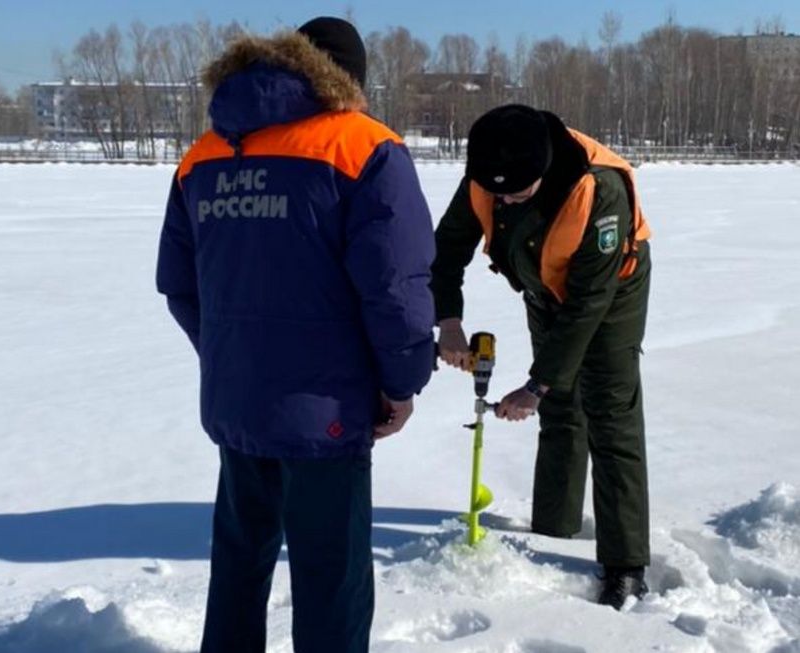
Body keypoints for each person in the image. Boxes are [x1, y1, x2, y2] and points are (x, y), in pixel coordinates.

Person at [155, 17, 435, 652]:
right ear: (351, 80)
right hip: (327, 409)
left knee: (239, 559)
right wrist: (400, 383)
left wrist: (235, 358)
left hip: (238, 401)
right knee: (330, 575)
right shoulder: (364, 147)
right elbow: (395, 290)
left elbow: (180, 284)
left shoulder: (204, 154)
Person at [431, 104, 652, 609]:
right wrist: (448, 323)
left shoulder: (600, 190)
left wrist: (535, 385)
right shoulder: (487, 172)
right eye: (497, 191)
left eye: (517, 192)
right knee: (559, 407)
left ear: (545, 169)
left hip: (611, 290)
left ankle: (625, 565)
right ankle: (553, 527)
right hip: (541, 282)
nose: (503, 199)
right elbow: (446, 250)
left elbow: (588, 306)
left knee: (609, 412)